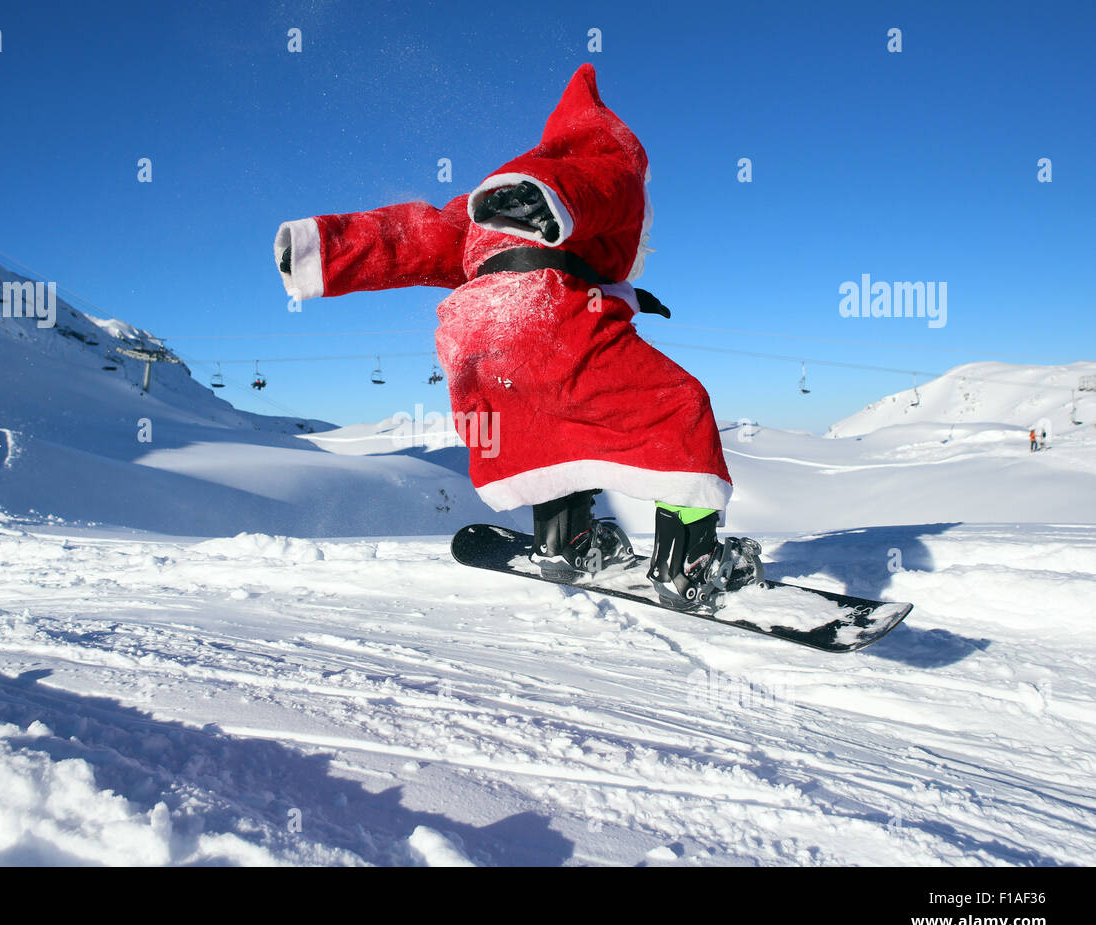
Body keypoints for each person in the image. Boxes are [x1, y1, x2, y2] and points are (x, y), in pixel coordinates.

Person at [273, 64, 761, 608]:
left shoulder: (479, 216)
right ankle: (688, 565)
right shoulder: (607, 165)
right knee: (678, 408)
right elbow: (587, 190)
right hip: (545, 312)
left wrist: (324, 250)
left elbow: (419, 236)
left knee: (545, 425)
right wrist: (535, 196)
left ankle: (564, 543)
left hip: (475, 332)